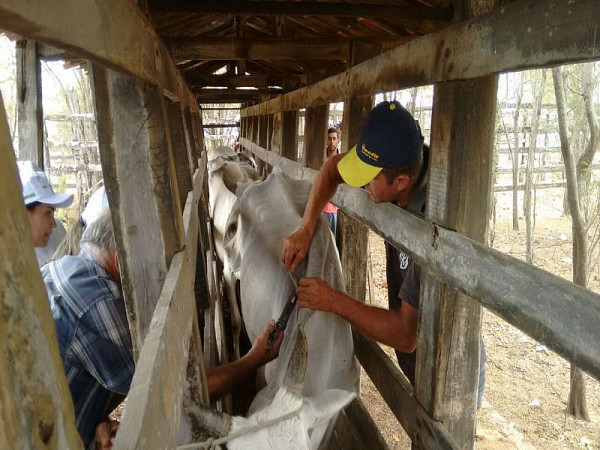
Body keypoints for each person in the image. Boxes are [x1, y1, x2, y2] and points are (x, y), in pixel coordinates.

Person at [282, 101, 485, 407]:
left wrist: (333, 299)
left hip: (447, 371)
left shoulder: (436, 225)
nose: (362, 183)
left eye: (370, 178)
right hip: (414, 358)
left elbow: (407, 335)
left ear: (401, 182)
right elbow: (331, 170)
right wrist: (306, 227)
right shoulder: (395, 161)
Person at [43, 209, 284, 449]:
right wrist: (254, 359)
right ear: (121, 261)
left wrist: (99, 421)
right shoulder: (99, 303)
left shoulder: (61, 268)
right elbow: (175, 393)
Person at [17, 161, 73, 262]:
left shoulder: (57, 232)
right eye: (48, 213)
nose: (54, 224)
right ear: (23, 214)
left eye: (53, 213)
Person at [322, 127, 341, 234]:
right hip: (320, 207)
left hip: (334, 209)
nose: (332, 142)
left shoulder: (341, 160)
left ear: (338, 140)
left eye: (334, 139)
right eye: (329, 138)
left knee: (331, 241)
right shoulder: (320, 158)